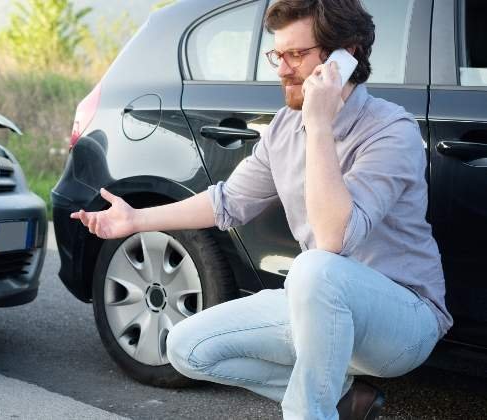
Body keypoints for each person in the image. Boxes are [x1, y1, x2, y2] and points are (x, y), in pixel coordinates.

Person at [70, 0, 453, 419]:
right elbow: (228, 202)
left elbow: (333, 239)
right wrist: (136, 220)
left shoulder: (391, 131)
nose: (282, 69)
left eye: (297, 54)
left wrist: (320, 123)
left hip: (402, 320)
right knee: (185, 347)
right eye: (278, 54)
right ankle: (344, 399)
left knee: (314, 268)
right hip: (318, 307)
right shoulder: (284, 129)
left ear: (347, 55)